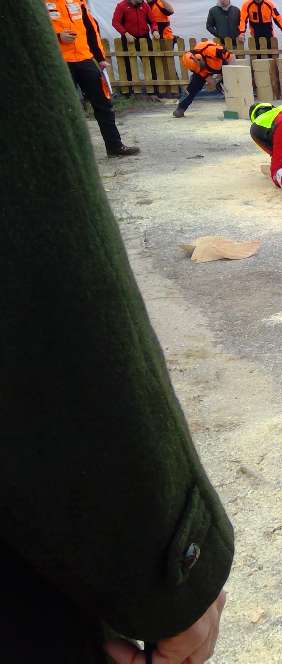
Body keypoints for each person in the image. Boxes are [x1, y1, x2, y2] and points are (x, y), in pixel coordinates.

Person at [7, 2, 231, 660]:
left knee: (102, 109)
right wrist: (172, 561)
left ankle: (118, 132)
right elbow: (50, 254)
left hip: (83, 61)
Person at [48, 0, 139, 157]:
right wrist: (57, 37)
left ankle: (115, 146)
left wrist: (100, 58)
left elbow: (91, 29)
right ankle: (64, 154)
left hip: (85, 59)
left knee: (103, 103)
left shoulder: (79, 2)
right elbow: (33, 32)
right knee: (63, 108)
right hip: (59, 61)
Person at [173, 39, 233, 117]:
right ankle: (181, 108)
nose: (200, 69)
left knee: (230, 84)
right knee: (192, 87)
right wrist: (216, 83)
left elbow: (231, 57)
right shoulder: (196, 67)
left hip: (224, 65)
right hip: (209, 68)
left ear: (198, 58)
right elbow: (206, 76)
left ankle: (236, 106)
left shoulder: (213, 50)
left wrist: (228, 75)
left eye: (200, 67)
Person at [112, 0, 154, 83]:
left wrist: (155, 30)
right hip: (128, 38)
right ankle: (129, 88)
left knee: (150, 61)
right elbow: (115, 22)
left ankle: (153, 87)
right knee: (128, 63)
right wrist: (125, 33)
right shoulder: (121, 6)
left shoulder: (145, 5)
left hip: (144, 37)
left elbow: (152, 21)